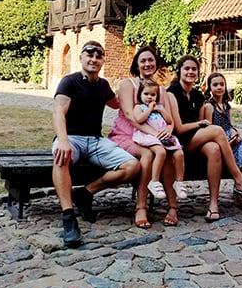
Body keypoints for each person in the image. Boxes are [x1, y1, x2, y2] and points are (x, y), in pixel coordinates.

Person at [52, 41, 140, 247]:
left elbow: (118, 103)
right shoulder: (69, 82)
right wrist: (63, 141)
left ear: (103, 61)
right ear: (81, 58)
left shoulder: (103, 86)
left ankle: (85, 192)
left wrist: (144, 97)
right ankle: (68, 216)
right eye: (89, 55)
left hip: (95, 140)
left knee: (133, 166)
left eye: (98, 56)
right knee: (60, 157)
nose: (93, 59)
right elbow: (58, 112)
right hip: (71, 138)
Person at [167, 55, 242, 222]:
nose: (190, 72)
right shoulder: (172, 92)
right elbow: (179, 128)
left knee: (214, 149)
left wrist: (204, 126)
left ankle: (213, 205)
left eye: (194, 69)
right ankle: (240, 180)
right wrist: (200, 125)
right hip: (179, 142)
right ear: (179, 70)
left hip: (195, 141)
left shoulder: (198, 96)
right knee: (218, 130)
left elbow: (202, 126)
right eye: (187, 68)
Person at [108, 46, 179, 228]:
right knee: (147, 155)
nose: (147, 64)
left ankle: (173, 207)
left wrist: (168, 131)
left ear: (156, 63)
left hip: (153, 137)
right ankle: (141, 207)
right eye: (143, 60)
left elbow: (169, 119)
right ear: (137, 64)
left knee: (170, 154)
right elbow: (131, 116)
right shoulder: (127, 85)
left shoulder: (161, 90)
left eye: (151, 60)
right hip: (127, 135)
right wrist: (156, 135)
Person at [203, 72, 242, 212]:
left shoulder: (227, 106)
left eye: (221, 84)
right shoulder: (209, 107)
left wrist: (235, 133)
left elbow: (229, 124)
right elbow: (207, 130)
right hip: (217, 141)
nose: (219, 87)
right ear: (209, 88)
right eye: (215, 85)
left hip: (230, 138)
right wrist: (227, 141)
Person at [132, 79, 187, 201]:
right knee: (160, 152)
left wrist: (161, 110)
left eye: (153, 94)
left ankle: (179, 182)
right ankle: (154, 181)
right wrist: (149, 110)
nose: (149, 97)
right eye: (146, 94)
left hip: (162, 136)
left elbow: (169, 120)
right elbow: (139, 119)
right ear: (140, 95)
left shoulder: (160, 107)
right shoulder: (139, 107)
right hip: (148, 136)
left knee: (179, 154)